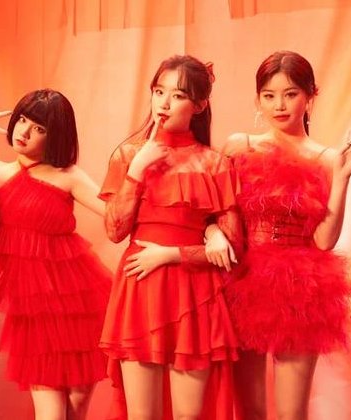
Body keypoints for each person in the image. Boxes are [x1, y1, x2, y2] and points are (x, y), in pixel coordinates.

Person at [210, 50, 351, 420]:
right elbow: (211, 210)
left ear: (310, 96)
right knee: (249, 410)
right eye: (269, 95)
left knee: (291, 413)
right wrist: (212, 231)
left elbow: (324, 240)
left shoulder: (327, 158)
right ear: (258, 99)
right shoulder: (240, 145)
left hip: (300, 289)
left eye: (291, 94)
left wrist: (343, 178)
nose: (279, 105)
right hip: (243, 283)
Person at [98, 55, 241, 420]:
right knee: (141, 415)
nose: (163, 103)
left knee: (188, 415)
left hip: (194, 292)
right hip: (140, 287)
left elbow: (233, 248)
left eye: (177, 96)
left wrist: (176, 253)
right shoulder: (129, 154)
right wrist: (136, 171)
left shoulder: (214, 163)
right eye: (159, 91)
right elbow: (114, 231)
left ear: (200, 105)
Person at [0, 89, 111, 420]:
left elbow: (117, 215)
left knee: (76, 403)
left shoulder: (68, 176)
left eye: (39, 128)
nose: (24, 132)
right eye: (22, 121)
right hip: (33, 309)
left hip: (78, 304)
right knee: (51, 411)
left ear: (55, 135)